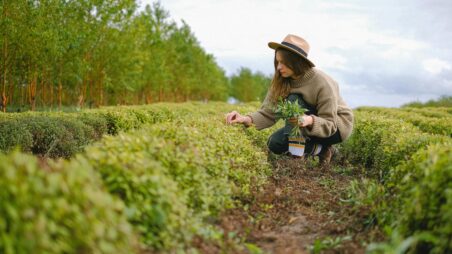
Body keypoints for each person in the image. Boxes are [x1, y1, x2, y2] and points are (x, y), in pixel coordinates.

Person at [225, 34, 354, 165]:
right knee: (275, 143)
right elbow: (268, 113)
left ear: (297, 62)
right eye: (277, 62)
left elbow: (330, 124)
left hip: (336, 127)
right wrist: (245, 119)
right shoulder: (281, 81)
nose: (279, 67)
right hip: (304, 125)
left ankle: (296, 158)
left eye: (283, 63)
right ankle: (322, 150)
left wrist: (309, 120)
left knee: (293, 100)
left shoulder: (323, 82)